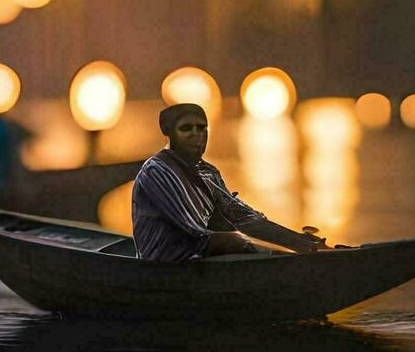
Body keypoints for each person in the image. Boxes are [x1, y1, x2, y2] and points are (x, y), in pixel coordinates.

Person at [132, 102, 329, 261]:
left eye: (201, 128)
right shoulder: (157, 171)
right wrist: (257, 248)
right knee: (234, 240)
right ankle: (289, 266)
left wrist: (299, 242)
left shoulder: (207, 171)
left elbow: (242, 217)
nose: (196, 135)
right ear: (170, 133)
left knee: (241, 237)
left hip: (199, 252)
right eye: (186, 129)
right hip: (163, 262)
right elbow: (195, 231)